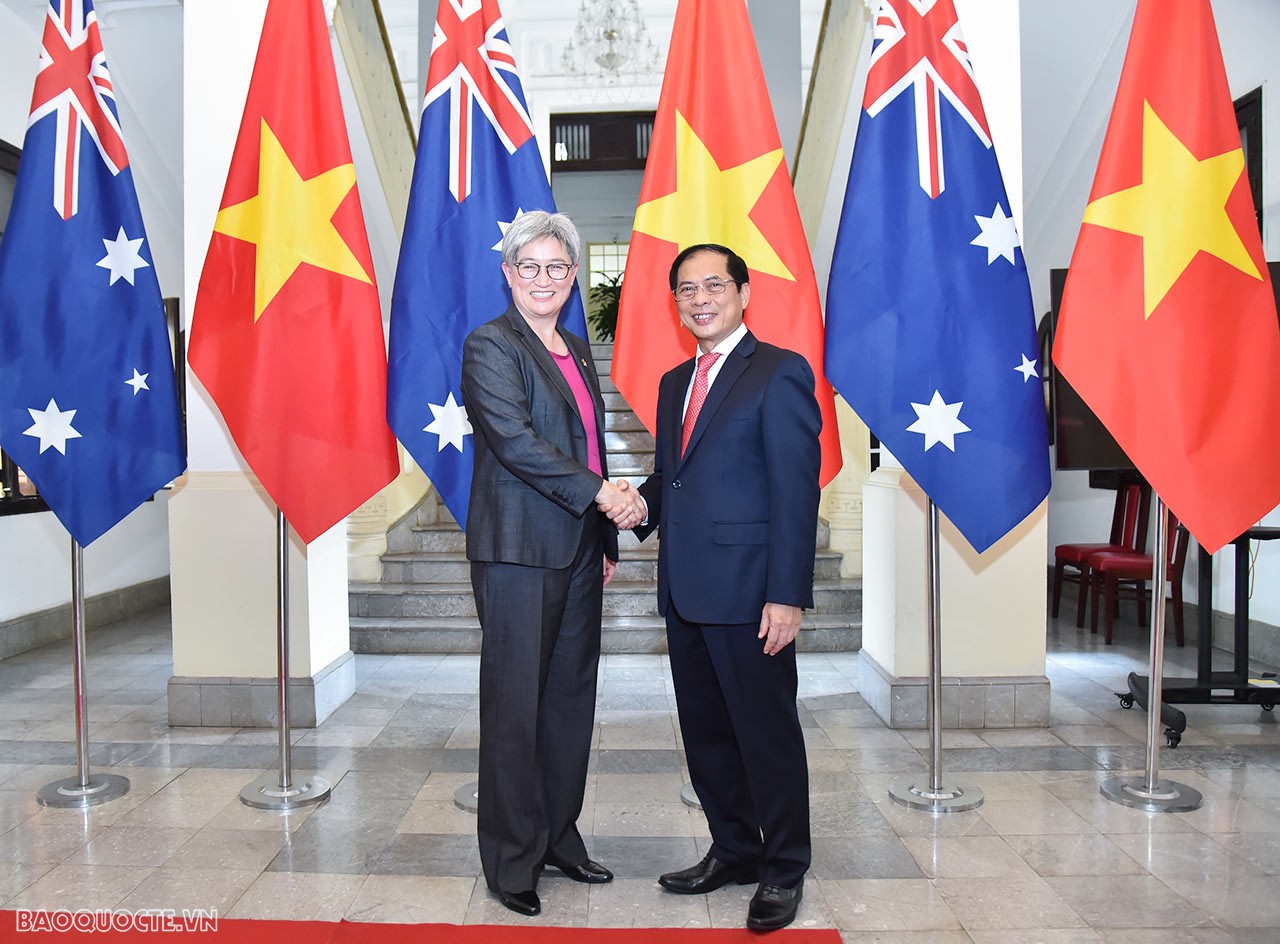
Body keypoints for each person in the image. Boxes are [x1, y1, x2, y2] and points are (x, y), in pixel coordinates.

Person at [630, 243, 821, 932]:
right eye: (687, 289)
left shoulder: (779, 373)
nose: (700, 298)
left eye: (714, 284)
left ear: (743, 292)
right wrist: (637, 507)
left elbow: (795, 494)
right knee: (707, 736)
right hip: (686, 590)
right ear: (676, 302)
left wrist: (787, 593)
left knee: (766, 737)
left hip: (751, 596)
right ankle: (735, 848)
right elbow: (678, 479)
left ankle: (784, 868)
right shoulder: (675, 380)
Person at [460, 210, 644, 917]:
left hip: (574, 549)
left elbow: (589, 444)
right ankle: (511, 860)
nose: (544, 279)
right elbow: (516, 441)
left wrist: (599, 537)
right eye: (529, 267)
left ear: (573, 276)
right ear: (508, 274)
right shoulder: (490, 346)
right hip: (516, 554)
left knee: (570, 702)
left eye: (557, 267)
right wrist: (602, 496)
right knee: (514, 709)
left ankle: (558, 836)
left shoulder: (573, 344)